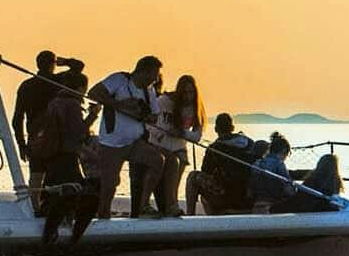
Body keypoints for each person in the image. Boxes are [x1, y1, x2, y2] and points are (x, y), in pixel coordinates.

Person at [88, 54, 163, 220]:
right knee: (110, 185)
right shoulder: (119, 80)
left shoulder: (148, 90)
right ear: (143, 71)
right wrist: (118, 105)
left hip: (134, 142)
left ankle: (144, 204)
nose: (155, 79)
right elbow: (93, 93)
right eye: (153, 74)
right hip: (112, 144)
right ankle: (102, 218)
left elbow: (155, 116)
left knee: (157, 160)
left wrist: (144, 115)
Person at [32, 80, 100, 248]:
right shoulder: (73, 104)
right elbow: (79, 132)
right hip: (66, 155)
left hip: (52, 155)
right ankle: (68, 237)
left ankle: (53, 231)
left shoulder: (54, 102)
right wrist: (93, 114)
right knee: (79, 194)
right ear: (79, 88)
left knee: (61, 193)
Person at [12, 50, 83, 208]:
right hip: (57, 137)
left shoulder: (26, 86)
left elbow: (17, 118)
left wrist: (21, 144)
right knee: (58, 175)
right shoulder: (58, 81)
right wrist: (65, 62)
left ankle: (33, 209)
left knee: (36, 176)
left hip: (35, 136)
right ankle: (57, 207)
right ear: (53, 64)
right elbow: (79, 66)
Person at [147, 72, 204, 216]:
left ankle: (172, 203)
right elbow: (149, 122)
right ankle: (170, 204)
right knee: (171, 164)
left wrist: (182, 133)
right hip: (159, 144)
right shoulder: (164, 101)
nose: (188, 96)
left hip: (178, 147)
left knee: (180, 164)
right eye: (184, 92)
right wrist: (160, 135)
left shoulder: (195, 108)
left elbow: (196, 136)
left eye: (191, 92)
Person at [195, 113, 258, 213]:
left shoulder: (214, 148)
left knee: (194, 177)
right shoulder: (250, 143)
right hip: (247, 196)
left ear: (216, 129)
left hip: (227, 196)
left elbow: (205, 171)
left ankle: (191, 214)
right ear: (232, 128)